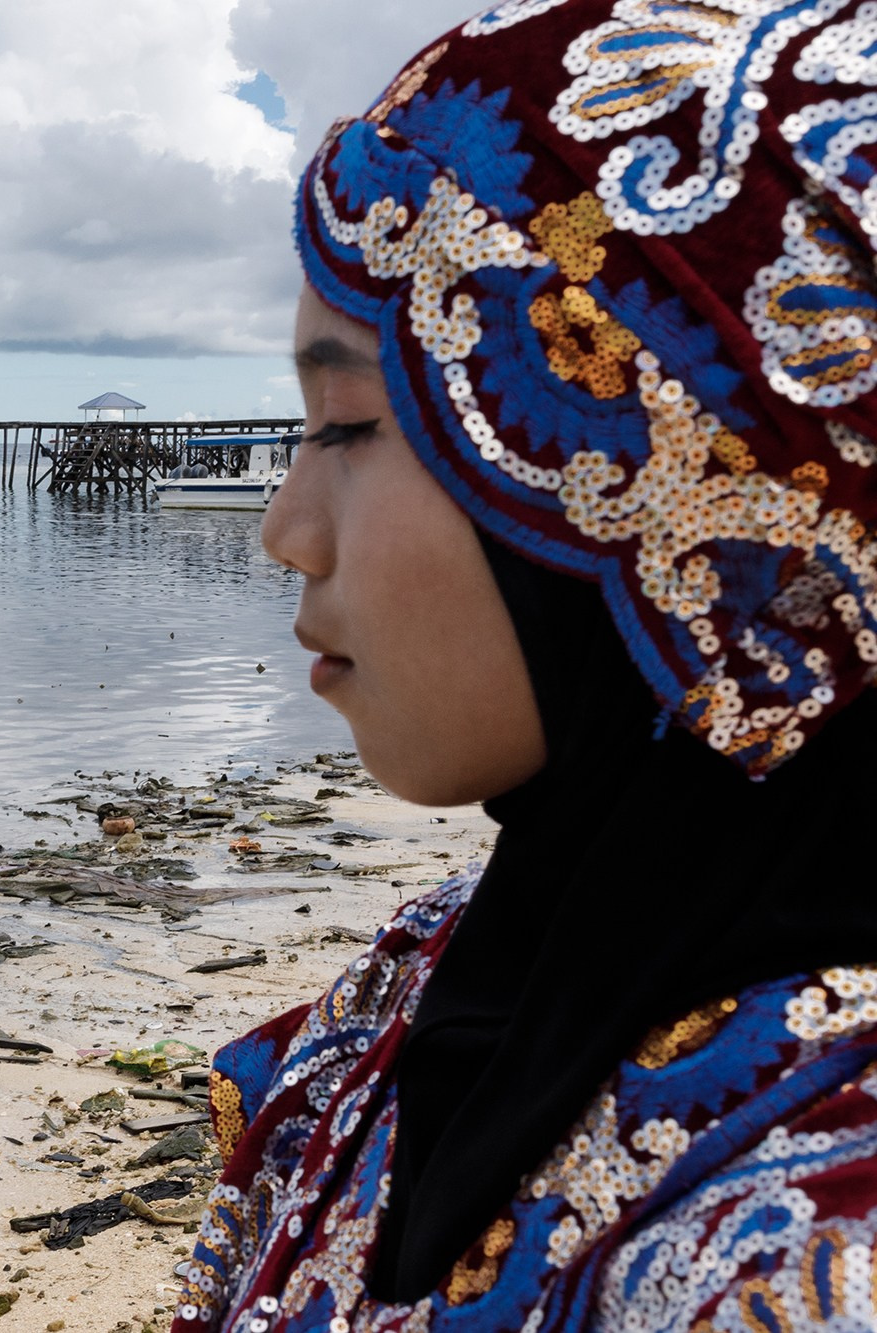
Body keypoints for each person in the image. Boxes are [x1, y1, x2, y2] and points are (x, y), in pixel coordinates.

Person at [171, 4, 877, 1329]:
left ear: (643, 470)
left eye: (345, 425)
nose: (282, 533)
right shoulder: (429, 970)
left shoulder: (817, 1255)